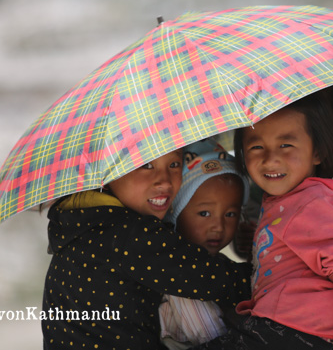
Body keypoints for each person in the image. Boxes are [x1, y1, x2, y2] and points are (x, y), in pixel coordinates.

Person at [195, 93, 333, 350]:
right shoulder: (288, 200)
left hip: (294, 332)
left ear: (317, 152)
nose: (270, 159)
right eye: (256, 147)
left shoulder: (312, 201)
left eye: (286, 145)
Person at [41, 149, 252, 350]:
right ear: (105, 172)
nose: (165, 180)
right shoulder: (127, 233)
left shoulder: (79, 223)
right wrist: (270, 275)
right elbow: (208, 277)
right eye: (146, 165)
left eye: (174, 164)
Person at [158, 139, 250, 350]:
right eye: (204, 213)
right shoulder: (179, 275)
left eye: (230, 214)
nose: (218, 226)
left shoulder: (217, 263)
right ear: (175, 213)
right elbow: (209, 334)